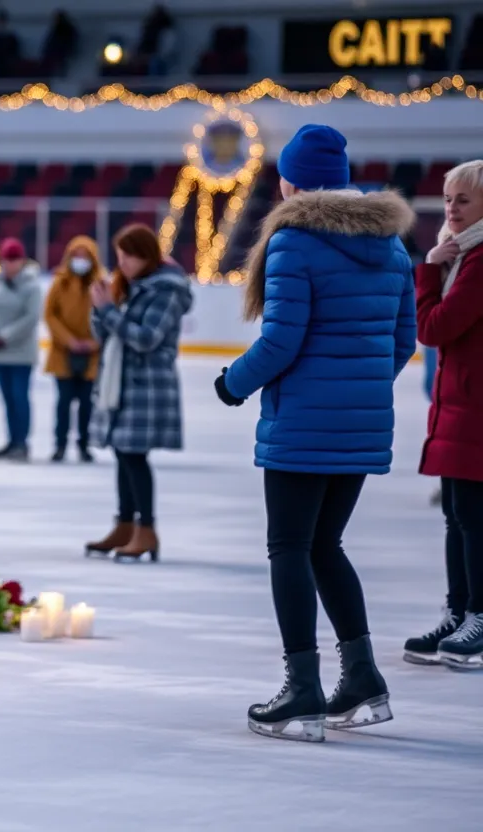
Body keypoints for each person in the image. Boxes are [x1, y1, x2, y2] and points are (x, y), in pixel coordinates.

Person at [214, 125, 416, 742]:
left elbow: (280, 341)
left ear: (290, 182)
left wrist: (232, 383)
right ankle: (362, 680)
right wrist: (355, 391)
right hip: (360, 424)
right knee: (325, 544)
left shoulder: (293, 242)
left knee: (291, 548)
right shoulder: (393, 248)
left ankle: (301, 691)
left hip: (302, 425)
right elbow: (402, 342)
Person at [407, 159, 483, 668]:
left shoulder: (475, 262)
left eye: (464, 200)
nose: (452, 208)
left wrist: (430, 268)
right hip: (459, 406)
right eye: (449, 198)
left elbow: (434, 329)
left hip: (475, 409)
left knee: (473, 520)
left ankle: (478, 615)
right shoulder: (464, 254)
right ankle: (458, 613)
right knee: (456, 518)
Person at [84, 225, 191, 562]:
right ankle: (125, 524)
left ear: (145, 255)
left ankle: (146, 530)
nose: (122, 263)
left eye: (127, 256)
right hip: (126, 382)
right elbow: (111, 337)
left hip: (147, 385)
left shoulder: (166, 290)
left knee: (134, 456)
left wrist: (108, 312)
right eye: (119, 257)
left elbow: (146, 338)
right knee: (123, 452)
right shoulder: (135, 287)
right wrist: (100, 309)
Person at [0, 238, 43, 462]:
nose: (10, 264)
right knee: (7, 398)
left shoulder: (32, 286)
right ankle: (11, 440)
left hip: (21, 352)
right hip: (0, 353)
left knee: (19, 397)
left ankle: (22, 442)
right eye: (7, 259)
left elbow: (31, 318)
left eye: (14, 259)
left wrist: (5, 336)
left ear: (22, 261)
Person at [43, 235, 102, 463]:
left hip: (92, 355)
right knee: (63, 403)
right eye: (76, 255)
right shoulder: (60, 283)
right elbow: (50, 315)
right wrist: (69, 341)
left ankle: (85, 445)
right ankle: (60, 445)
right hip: (63, 353)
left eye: (84, 256)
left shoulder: (101, 284)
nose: (80, 260)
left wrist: (94, 343)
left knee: (87, 404)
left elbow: (108, 316)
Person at [40, 9, 79, 76]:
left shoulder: (67, 30)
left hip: (62, 54)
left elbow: (71, 42)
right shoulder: (55, 30)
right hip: (55, 54)